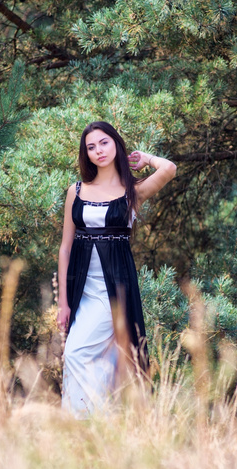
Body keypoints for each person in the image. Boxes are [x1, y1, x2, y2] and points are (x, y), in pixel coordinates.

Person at [57, 121, 176, 418]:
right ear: (86, 154)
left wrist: (146, 159)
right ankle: (92, 426)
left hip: (114, 288)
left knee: (77, 353)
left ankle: (85, 421)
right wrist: (63, 302)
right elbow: (65, 248)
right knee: (90, 357)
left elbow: (169, 168)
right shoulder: (77, 190)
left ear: (117, 145)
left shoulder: (132, 191)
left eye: (104, 143)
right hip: (80, 287)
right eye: (91, 147)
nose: (98, 151)